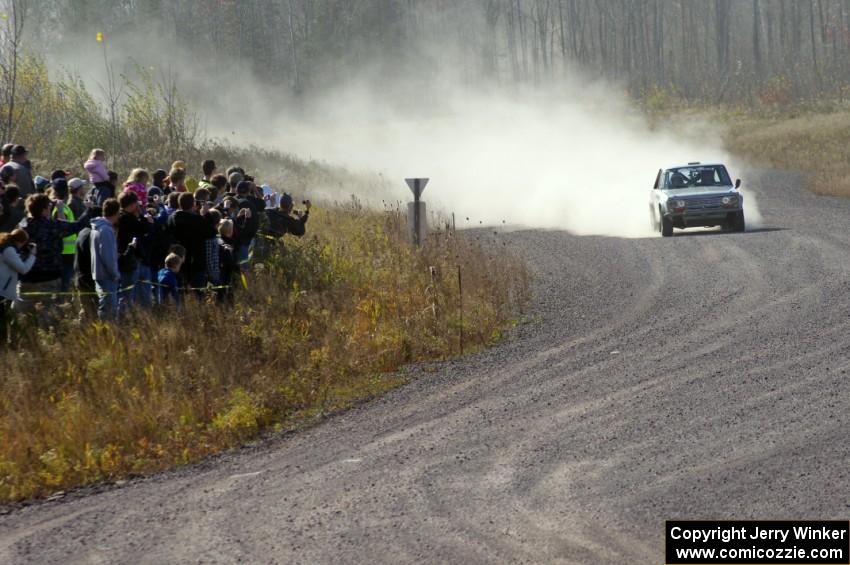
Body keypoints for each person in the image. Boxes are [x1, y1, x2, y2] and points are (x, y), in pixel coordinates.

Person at [16, 193, 91, 322]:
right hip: (49, 277)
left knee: (23, 316)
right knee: (48, 315)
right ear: (44, 209)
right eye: (48, 207)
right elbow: (77, 226)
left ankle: (25, 339)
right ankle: (48, 340)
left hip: (26, 277)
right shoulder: (52, 226)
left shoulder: (23, 225)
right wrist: (89, 209)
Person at [166, 192, 215, 290]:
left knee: (180, 291)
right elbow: (211, 233)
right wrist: (206, 215)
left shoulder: (171, 218)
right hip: (196, 261)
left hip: (178, 261)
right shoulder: (196, 219)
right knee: (198, 292)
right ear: (193, 204)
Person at [116, 191, 153, 312]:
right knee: (129, 294)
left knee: (129, 293)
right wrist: (147, 221)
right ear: (131, 205)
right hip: (130, 259)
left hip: (125, 257)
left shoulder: (120, 217)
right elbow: (143, 230)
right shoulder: (127, 219)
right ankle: (127, 317)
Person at [0, 229, 36, 341]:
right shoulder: (9, 250)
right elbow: (23, 269)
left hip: (3, 289)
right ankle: (4, 345)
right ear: (20, 241)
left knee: (4, 320)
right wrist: (33, 255)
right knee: (2, 320)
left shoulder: (6, 246)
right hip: (2, 291)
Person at [91, 198, 121, 320]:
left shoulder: (96, 228)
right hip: (107, 276)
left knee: (106, 308)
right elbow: (107, 256)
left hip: (99, 274)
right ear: (116, 213)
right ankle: (107, 335)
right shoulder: (106, 230)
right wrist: (115, 274)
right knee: (108, 310)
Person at [48, 178, 77, 293]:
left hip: (64, 251)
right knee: (64, 286)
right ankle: (61, 306)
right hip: (65, 252)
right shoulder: (60, 208)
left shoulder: (53, 206)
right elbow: (62, 228)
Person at [74, 206, 102, 319]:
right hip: (88, 281)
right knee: (90, 313)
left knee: (87, 310)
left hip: (81, 278)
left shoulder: (83, 232)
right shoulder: (90, 235)